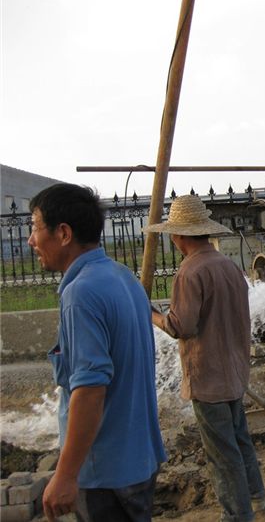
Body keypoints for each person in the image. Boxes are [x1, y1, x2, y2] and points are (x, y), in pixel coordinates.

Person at [27, 184, 165, 522]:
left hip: (105, 475)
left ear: (63, 233)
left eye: (34, 227)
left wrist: (65, 475)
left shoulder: (81, 293)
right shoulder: (124, 278)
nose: (31, 240)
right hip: (139, 462)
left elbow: (89, 391)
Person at [146, 195, 265, 522]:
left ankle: (237, 514)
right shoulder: (228, 266)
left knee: (221, 454)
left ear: (180, 236)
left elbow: (181, 326)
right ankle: (256, 496)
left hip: (208, 377)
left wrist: (152, 315)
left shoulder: (190, 272)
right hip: (234, 372)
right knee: (240, 441)